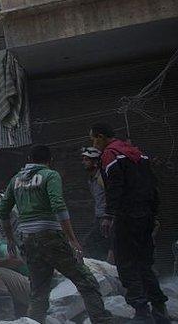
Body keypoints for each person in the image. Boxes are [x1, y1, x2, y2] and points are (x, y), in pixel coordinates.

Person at [0, 144, 112, 324]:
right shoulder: (50, 175)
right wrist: (72, 239)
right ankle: (101, 320)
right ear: (50, 161)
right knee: (86, 280)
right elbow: (58, 205)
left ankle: (34, 321)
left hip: (28, 240)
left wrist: (11, 238)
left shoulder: (16, 180)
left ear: (29, 160)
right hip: (50, 237)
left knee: (38, 291)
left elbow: (3, 210)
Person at [90, 123, 169, 323]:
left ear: (100, 137)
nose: (93, 144)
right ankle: (160, 311)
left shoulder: (110, 154)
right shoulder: (137, 154)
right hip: (146, 216)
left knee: (126, 263)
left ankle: (141, 311)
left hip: (126, 217)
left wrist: (109, 216)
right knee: (145, 264)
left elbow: (114, 187)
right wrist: (153, 214)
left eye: (93, 139)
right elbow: (153, 185)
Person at [80, 147, 112, 262]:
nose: (83, 162)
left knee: (112, 246)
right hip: (99, 217)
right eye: (83, 159)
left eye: (87, 159)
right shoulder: (91, 179)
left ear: (96, 162)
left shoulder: (101, 177)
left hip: (107, 218)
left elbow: (111, 196)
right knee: (90, 243)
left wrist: (108, 216)